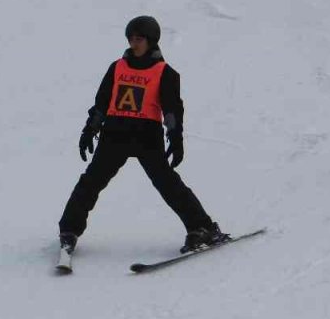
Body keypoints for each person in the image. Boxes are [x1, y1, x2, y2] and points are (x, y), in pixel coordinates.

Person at [58, 16, 227, 256]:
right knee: (90, 183)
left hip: (146, 136)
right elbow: (102, 103)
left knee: (167, 184)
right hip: (115, 134)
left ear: (151, 41)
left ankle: (203, 228)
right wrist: (90, 130)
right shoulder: (117, 67)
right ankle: (68, 232)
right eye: (131, 39)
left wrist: (175, 138)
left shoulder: (165, 73)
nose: (134, 44)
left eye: (139, 39)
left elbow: (171, 109)